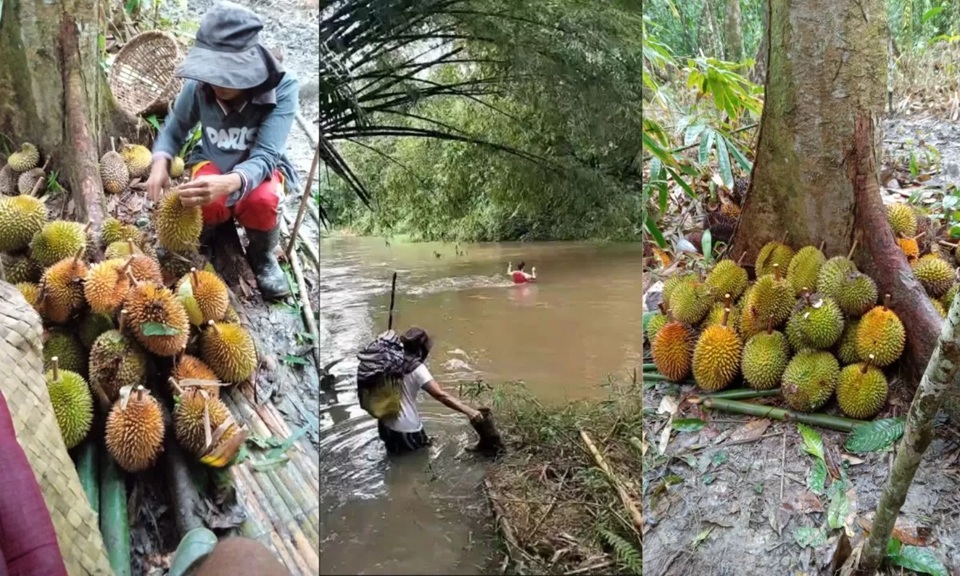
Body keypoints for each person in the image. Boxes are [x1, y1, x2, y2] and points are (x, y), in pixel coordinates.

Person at [146, 0, 299, 301]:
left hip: (259, 169)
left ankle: (262, 254)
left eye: (228, 75)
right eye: (212, 74)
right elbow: (175, 129)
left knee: (264, 200)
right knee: (201, 198)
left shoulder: (282, 87)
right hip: (212, 159)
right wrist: (160, 160)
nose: (217, 83)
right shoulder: (198, 86)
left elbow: (266, 155)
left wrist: (231, 182)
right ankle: (209, 233)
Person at [377, 327, 484, 455]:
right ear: (421, 350)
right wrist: (469, 411)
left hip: (384, 423)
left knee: (395, 456)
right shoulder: (417, 369)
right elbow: (440, 395)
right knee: (419, 459)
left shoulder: (387, 359)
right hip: (406, 427)